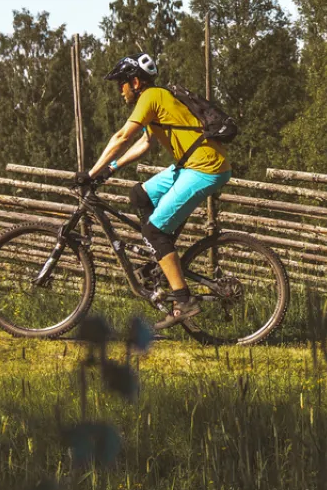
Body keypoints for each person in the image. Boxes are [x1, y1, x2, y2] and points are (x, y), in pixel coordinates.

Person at [78, 53, 233, 331]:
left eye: (122, 84)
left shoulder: (150, 97)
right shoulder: (156, 100)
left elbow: (123, 137)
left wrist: (90, 173)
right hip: (190, 164)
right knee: (140, 195)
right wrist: (110, 169)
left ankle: (183, 301)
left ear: (135, 81)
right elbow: (144, 144)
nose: (120, 90)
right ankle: (162, 255)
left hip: (206, 167)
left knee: (154, 232)